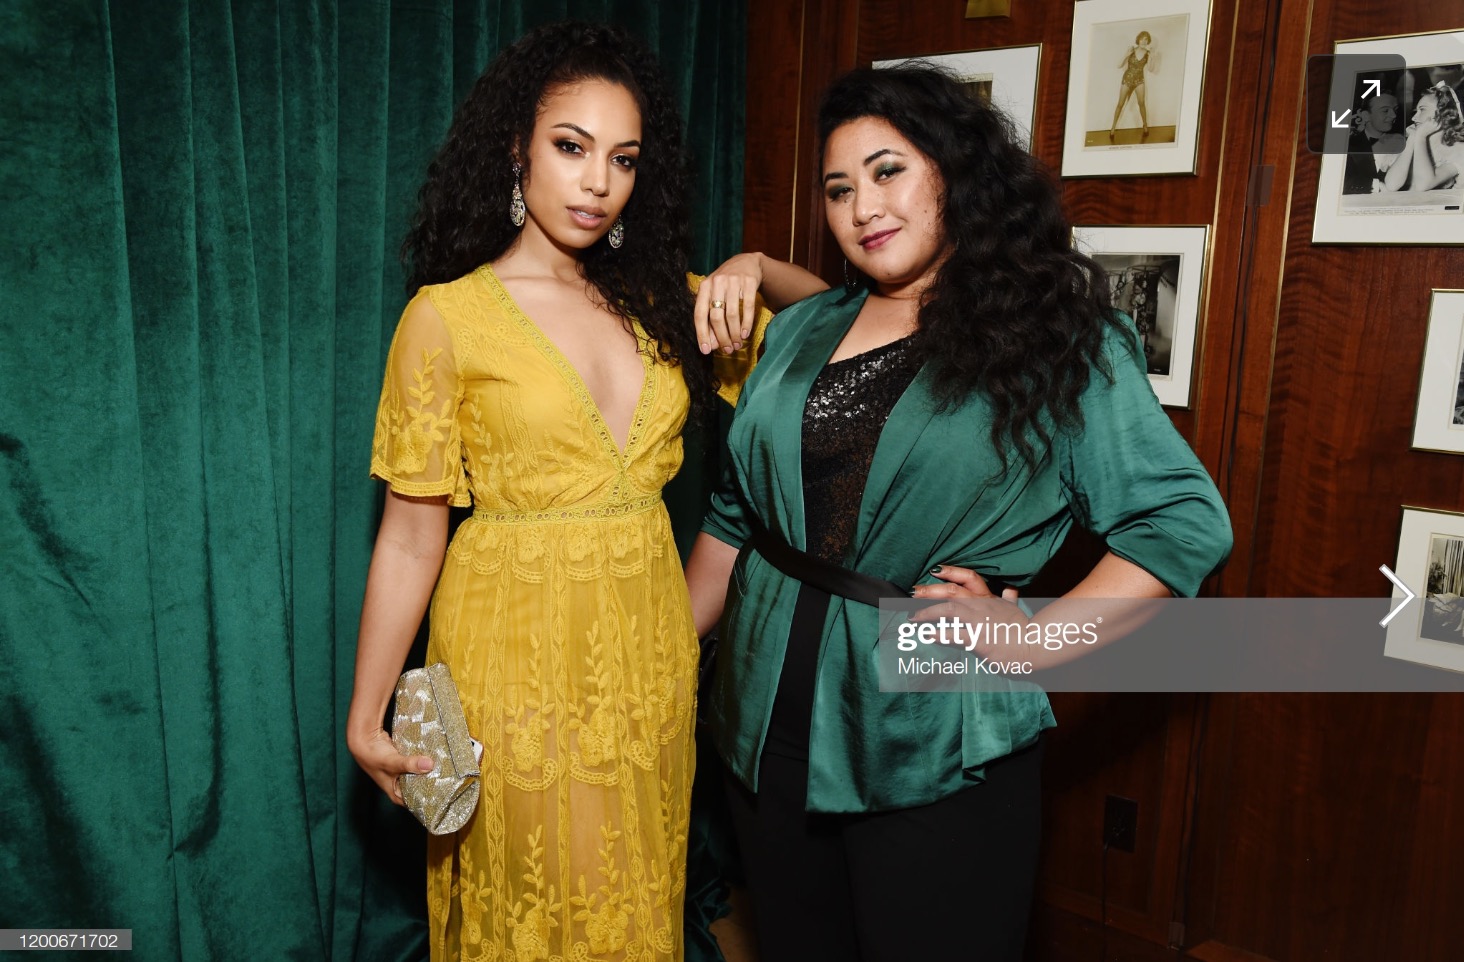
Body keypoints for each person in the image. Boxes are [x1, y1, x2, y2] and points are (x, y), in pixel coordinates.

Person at [685, 64, 1232, 961]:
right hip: (763, 718)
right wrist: (654, 667)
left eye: (888, 170)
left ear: (955, 171)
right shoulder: (806, 330)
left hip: (931, 729)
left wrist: (1037, 638)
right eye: (838, 188)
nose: (863, 205)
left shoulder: (1060, 339)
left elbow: (1180, 523)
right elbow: (737, 516)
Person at [344, 21, 817, 961]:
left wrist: (756, 268)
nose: (598, 181)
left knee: (634, 904)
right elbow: (408, 537)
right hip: (507, 657)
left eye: (623, 158)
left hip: (646, 660)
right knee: (526, 911)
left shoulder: (671, 304)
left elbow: (841, 328)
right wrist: (367, 712)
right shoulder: (447, 318)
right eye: (571, 148)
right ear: (517, 150)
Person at [1382, 81, 1464, 193]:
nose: (1414, 118)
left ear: (1445, 114)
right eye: (1416, 111)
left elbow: (1423, 185)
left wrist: (1420, 137)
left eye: (1422, 109)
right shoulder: (1411, 142)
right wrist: (1412, 139)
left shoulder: (1458, 151)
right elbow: (1392, 185)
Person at [1342, 92, 1405, 194]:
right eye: (1385, 110)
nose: (1393, 115)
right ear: (1366, 116)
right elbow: (1338, 182)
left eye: (1395, 110)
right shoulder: (1348, 145)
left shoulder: (1404, 142)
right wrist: (1376, 185)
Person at [1110, 30, 1156, 140]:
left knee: (1141, 103)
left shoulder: (1148, 53)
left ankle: (1145, 125)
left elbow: (1150, 69)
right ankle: (1112, 128)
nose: (1144, 41)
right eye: (1142, 38)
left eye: (1146, 39)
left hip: (1139, 80)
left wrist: (1152, 56)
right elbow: (1119, 65)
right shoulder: (1131, 50)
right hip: (1127, 79)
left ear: (1148, 41)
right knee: (1120, 104)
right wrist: (1126, 54)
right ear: (1138, 39)